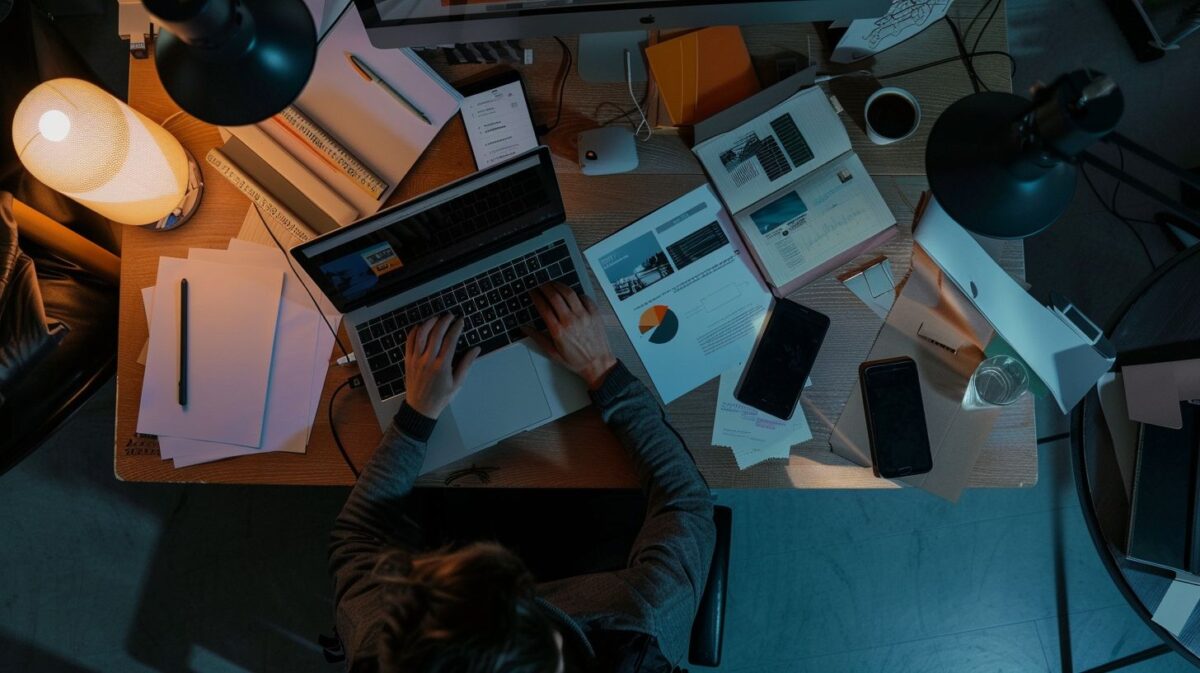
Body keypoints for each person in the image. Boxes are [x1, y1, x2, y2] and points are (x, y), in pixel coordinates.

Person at [329, 282, 716, 673]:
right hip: (597, 550)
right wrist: (603, 371)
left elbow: (358, 537)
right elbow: (684, 502)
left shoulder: (386, 651)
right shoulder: (641, 627)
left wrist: (415, 419)